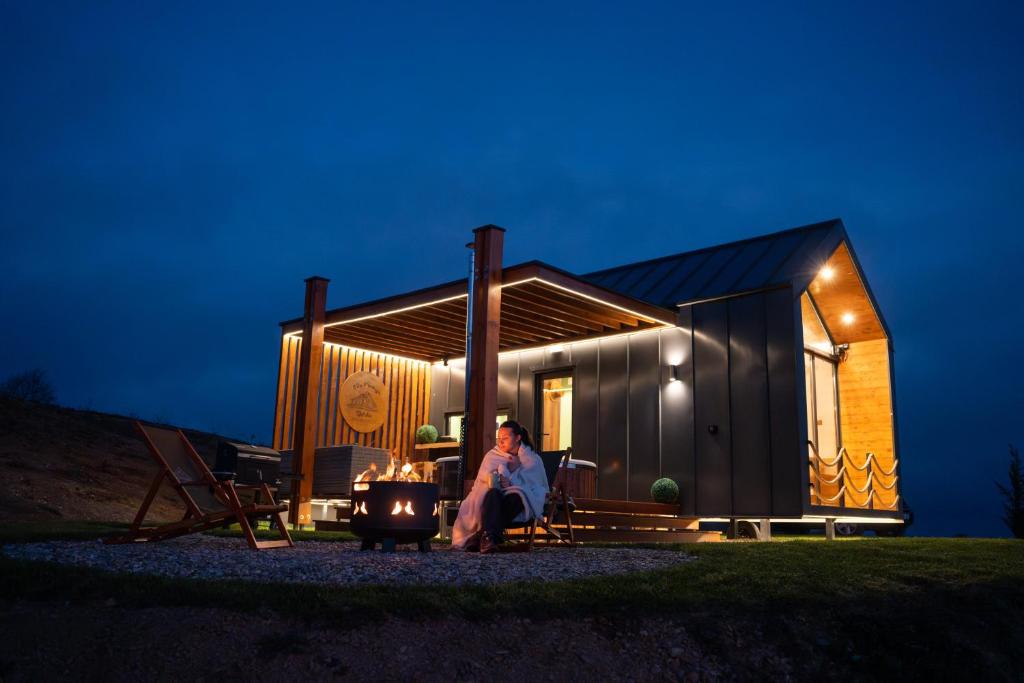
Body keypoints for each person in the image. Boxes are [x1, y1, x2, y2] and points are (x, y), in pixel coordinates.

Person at [452, 420, 549, 553]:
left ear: (518, 438)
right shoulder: (493, 455)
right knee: (493, 493)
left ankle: (482, 535)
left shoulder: (532, 459)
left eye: (505, 438)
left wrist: (512, 478)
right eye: (499, 438)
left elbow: (536, 488)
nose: (500, 442)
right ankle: (489, 537)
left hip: (514, 500)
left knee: (519, 496)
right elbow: (482, 481)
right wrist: (499, 479)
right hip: (494, 500)